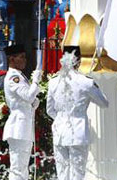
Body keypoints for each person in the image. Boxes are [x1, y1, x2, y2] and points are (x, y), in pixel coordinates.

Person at [46, 46, 109, 180]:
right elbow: (104, 103)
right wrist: (93, 85)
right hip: (77, 131)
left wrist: (61, 119)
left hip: (59, 131)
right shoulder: (86, 82)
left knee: (62, 174)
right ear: (79, 61)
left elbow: (49, 109)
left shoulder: (53, 82)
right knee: (77, 174)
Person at [3, 44, 43, 180]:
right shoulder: (14, 77)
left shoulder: (19, 76)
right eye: (21, 57)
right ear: (12, 59)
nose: (25, 60)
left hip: (24, 126)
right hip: (18, 127)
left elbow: (29, 100)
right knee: (18, 168)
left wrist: (33, 103)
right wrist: (36, 81)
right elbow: (29, 96)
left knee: (22, 167)